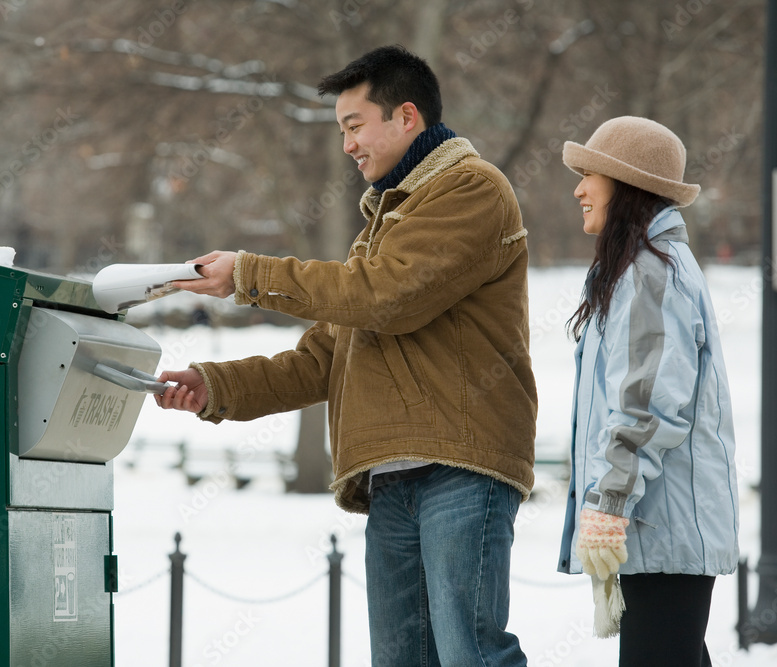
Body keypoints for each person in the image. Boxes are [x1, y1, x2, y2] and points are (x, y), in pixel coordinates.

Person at [157, 45, 536, 666]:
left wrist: (251, 274)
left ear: (406, 117)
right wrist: (213, 386)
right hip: (389, 476)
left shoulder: (471, 189)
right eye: (341, 130)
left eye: (354, 125)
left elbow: (389, 296)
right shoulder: (384, 226)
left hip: (460, 465)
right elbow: (321, 359)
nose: (347, 145)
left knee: (473, 655)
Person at [556, 116, 740, 666]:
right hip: (658, 534)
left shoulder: (651, 272)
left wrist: (607, 507)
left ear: (627, 184)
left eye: (591, 174)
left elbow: (645, 409)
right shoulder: (638, 270)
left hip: (660, 534)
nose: (579, 188)